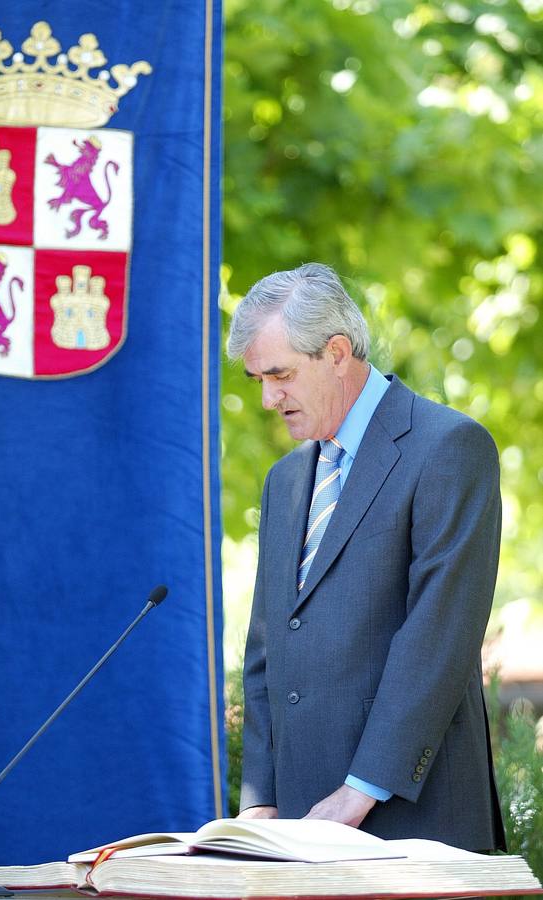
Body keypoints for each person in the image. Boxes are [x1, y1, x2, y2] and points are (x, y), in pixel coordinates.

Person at [226, 262, 505, 851]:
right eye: (258, 379)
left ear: (335, 352)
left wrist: (362, 789)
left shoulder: (449, 447)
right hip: (299, 834)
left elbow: (440, 633)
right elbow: (268, 647)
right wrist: (261, 799)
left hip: (412, 826)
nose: (269, 398)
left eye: (279, 375)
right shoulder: (284, 479)